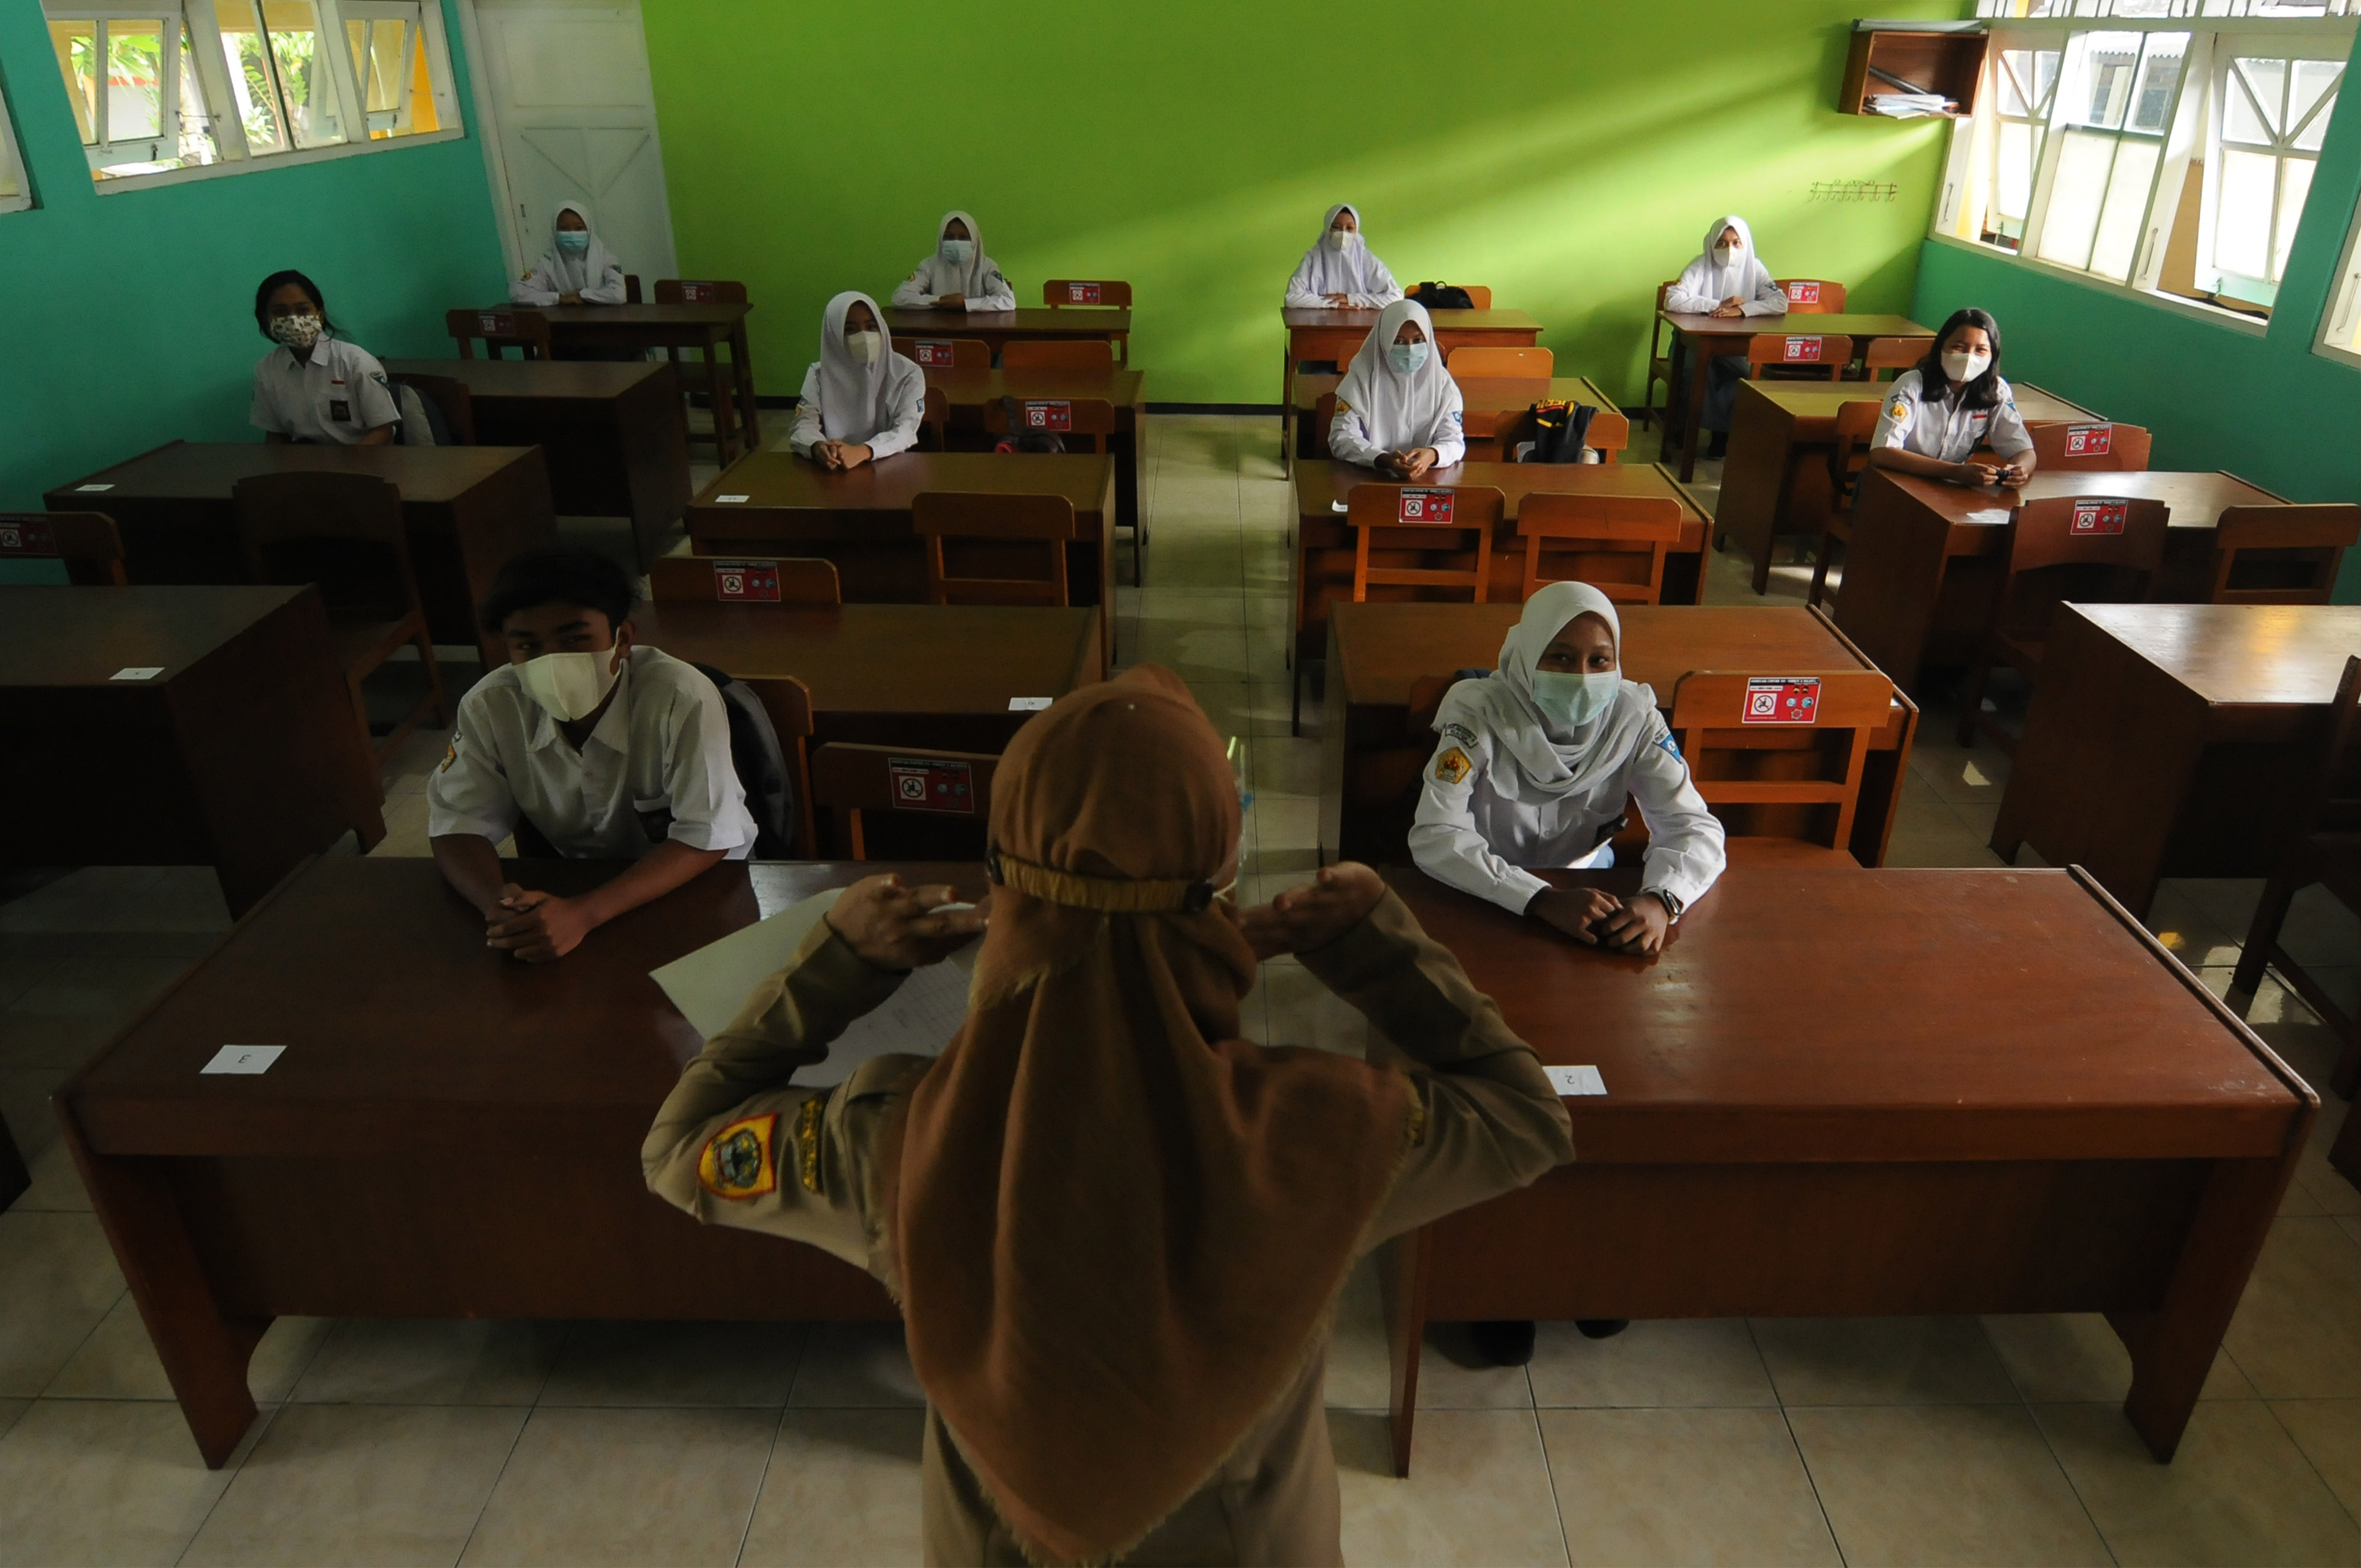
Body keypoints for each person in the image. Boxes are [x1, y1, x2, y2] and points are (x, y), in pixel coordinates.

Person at [643, 665, 1572, 1566]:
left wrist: (833, 962)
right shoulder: (1319, 1129)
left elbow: (682, 1144)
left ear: (1001, 877)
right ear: (1219, 879)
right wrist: (1379, 948)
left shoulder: (898, 1132)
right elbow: (1526, 1116)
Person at [428, 546, 756, 963]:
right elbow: (457, 822)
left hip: (701, 885)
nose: (552, 661)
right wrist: (497, 906)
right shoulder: (491, 705)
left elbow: (706, 836)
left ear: (623, 640)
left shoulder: (679, 697)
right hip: (577, 889)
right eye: (528, 646)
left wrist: (584, 913)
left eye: (575, 639)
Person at [1412, 581, 1726, 956]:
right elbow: (1436, 831)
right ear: (1529, 656)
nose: (1581, 677)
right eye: (1560, 658)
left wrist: (1662, 900)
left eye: (1599, 661)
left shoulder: (1634, 717)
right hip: (1483, 883)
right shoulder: (1479, 714)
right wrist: (1539, 898)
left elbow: (1692, 826)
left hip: (1592, 887)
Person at [1866, 307, 2037, 489]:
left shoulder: (1996, 390)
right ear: (1941, 347)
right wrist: (1955, 472)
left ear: (1992, 357)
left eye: (1980, 350)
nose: (1969, 357)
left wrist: (2020, 470)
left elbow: (2024, 450)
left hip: (1950, 488)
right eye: (1958, 347)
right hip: (1896, 483)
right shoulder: (1912, 384)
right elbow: (1883, 452)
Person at [1663, 214, 1788, 457]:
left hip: (1735, 345)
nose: (1728, 249)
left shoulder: (1755, 267)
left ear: (1745, 244)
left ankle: (1722, 435)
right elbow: (1672, 298)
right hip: (1692, 343)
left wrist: (1742, 310)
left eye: (1735, 243)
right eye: (1721, 243)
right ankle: (1685, 429)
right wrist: (1717, 305)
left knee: (1740, 373)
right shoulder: (1701, 264)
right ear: (1712, 244)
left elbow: (1780, 302)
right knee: (1696, 371)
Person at [248, 270, 400, 446]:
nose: (293, 319)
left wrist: (347, 468)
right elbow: (276, 435)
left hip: (361, 460)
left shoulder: (356, 362)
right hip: (304, 462)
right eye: (280, 312)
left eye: (303, 310)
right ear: (266, 318)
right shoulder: (267, 369)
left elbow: (383, 431)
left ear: (319, 314)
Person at [787, 291, 926, 471]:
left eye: (871, 327)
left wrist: (864, 451)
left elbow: (906, 430)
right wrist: (817, 446)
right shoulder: (818, 375)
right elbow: (803, 425)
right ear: (834, 335)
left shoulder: (907, 373)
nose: (864, 337)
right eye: (850, 330)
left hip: (888, 466)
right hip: (833, 467)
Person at [1327, 299, 1464, 479]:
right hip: (1369, 475)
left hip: (1428, 478)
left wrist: (1432, 455)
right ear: (1384, 341)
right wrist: (1381, 458)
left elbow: (1454, 441)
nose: (1409, 350)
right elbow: (1342, 436)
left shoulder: (1443, 383)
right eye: (1399, 342)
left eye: (1418, 340)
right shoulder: (1360, 379)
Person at [891, 211, 1015, 312]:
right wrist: (939, 301)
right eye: (949, 237)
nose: (956, 243)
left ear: (974, 240)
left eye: (963, 238)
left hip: (978, 332)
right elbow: (899, 297)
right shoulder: (929, 265)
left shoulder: (987, 266)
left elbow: (1007, 300)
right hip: (938, 331)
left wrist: (965, 304)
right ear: (941, 240)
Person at [511, 200, 627, 307]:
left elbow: (618, 295)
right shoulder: (547, 263)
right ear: (555, 232)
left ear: (590, 230)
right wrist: (559, 298)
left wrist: (582, 294)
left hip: (603, 323)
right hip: (562, 325)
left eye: (579, 228)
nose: (572, 234)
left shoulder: (606, 259)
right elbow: (517, 293)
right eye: (564, 229)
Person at [1285, 202, 1402, 309]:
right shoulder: (1313, 258)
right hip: (1319, 324)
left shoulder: (1365, 259)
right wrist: (1334, 304)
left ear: (1356, 231)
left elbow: (1396, 297)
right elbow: (1292, 298)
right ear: (1327, 229)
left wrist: (1351, 299)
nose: (1343, 233)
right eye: (1336, 227)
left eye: (1349, 228)